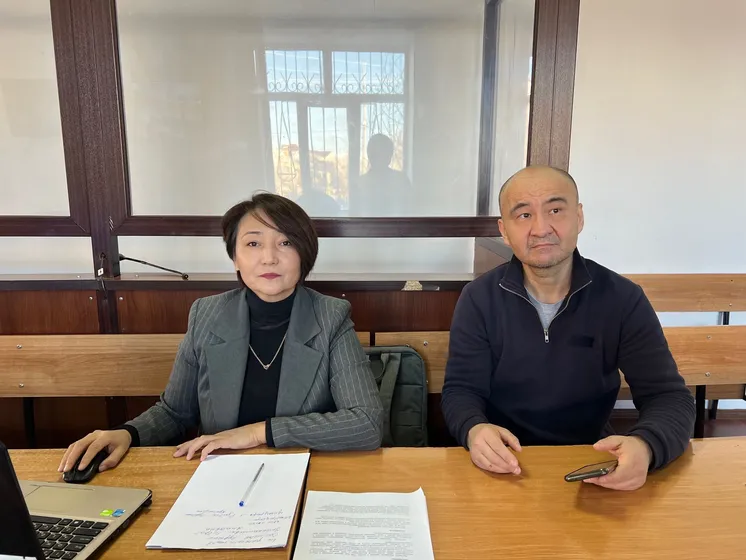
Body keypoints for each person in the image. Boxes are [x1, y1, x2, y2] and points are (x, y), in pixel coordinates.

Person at [59, 193, 383, 475]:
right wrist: (128, 433)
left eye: (285, 242)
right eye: (253, 243)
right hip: (219, 476)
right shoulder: (207, 314)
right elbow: (175, 412)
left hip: (303, 472)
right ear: (235, 258)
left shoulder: (330, 317)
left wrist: (257, 433)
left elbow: (366, 423)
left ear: (304, 254)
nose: (269, 257)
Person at [441, 166, 695, 491]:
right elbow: (462, 391)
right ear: (504, 230)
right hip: (503, 464)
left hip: (590, 461)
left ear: (579, 217)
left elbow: (668, 396)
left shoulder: (622, 298)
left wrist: (647, 446)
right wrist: (474, 429)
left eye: (555, 210)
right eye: (524, 215)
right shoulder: (479, 298)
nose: (540, 228)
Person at [352, 133, 413, 216]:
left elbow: (410, 211)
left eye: (387, 153)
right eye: (377, 154)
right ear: (369, 156)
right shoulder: (359, 185)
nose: (382, 158)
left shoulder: (402, 181)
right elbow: (354, 215)